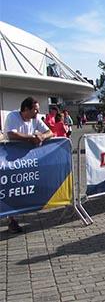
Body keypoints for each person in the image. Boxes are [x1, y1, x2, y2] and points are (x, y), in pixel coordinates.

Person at [4, 97, 53, 233]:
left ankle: (20, 212)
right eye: (35, 110)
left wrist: (42, 137)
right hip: (11, 160)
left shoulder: (35, 119)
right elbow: (12, 134)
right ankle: (11, 219)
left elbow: (50, 132)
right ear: (26, 109)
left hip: (28, 161)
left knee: (25, 187)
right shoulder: (13, 116)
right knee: (12, 188)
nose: (37, 113)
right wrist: (32, 138)